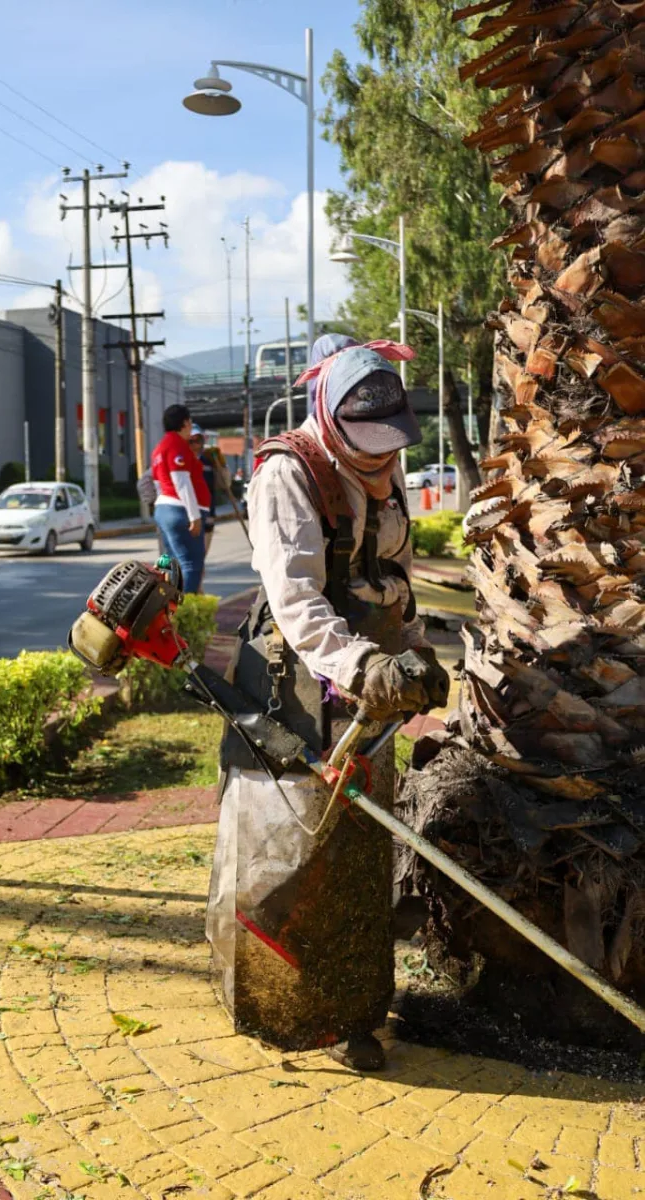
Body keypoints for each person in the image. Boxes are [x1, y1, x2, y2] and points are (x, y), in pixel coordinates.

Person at [206, 336, 450, 1071]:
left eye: (390, 448)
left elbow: (394, 566)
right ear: (328, 416)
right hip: (298, 688)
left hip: (370, 680)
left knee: (360, 847)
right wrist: (366, 665)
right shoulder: (289, 473)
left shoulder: (385, 458)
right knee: (293, 841)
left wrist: (413, 648)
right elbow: (298, 602)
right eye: (367, 450)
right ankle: (280, 1002)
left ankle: (354, 1008)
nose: (381, 463)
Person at [152, 404, 211, 594]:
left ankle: (168, 609)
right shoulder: (177, 445)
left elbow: (157, 483)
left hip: (164, 508)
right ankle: (185, 614)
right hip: (180, 510)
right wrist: (194, 517)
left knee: (171, 563)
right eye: (190, 422)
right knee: (192, 565)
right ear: (185, 423)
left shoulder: (159, 448)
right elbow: (182, 482)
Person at [188, 425, 233, 556]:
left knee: (201, 556)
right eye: (191, 441)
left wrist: (221, 465)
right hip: (187, 516)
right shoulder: (181, 460)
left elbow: (225, 484)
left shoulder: (208, 461)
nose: (195, 445)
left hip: (207, 514)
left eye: (198, 440)